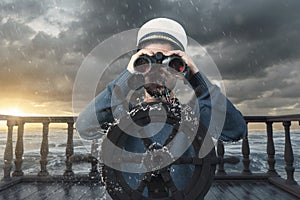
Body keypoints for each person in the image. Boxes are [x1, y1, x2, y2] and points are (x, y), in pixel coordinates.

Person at [75, 17, 247, 196]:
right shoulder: (123, 113)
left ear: (181, 70)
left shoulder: (194, 115)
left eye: (171, 64)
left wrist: (196, 76)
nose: (158, 71)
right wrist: (128, 74)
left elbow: (236, 130)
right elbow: (85, 125)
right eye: (146, 63)